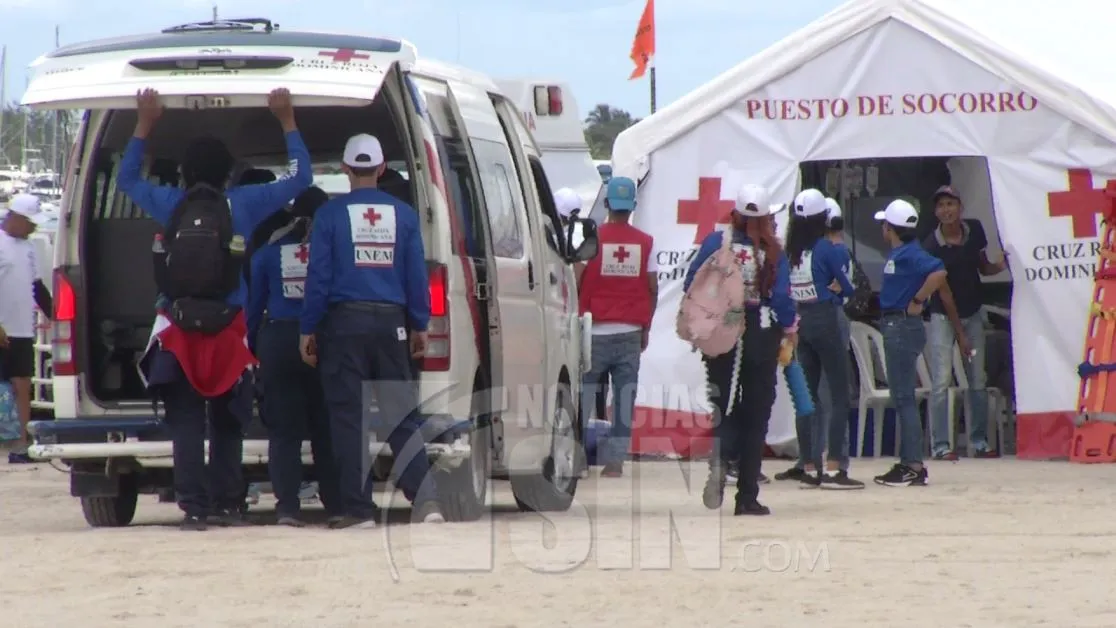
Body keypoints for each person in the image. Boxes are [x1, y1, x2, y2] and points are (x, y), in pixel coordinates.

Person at [119, 87, 313, 530]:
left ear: (185, 174)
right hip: (229, 328)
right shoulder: (243, 202)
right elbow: (300, 179)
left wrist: (144, 124)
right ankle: (228, 503)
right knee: (228, 419)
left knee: (187, 420)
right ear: (229, 173)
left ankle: (193, 506)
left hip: (179, 327)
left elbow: (127, 179)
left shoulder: (170, 203)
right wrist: (286, 119)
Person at [299, 133, 444, 528]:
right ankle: (427, 502)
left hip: (344, 325)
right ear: (381, 168)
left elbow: (318, 278)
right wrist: (420, 324)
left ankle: (358, 509)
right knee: (402, 414)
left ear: (345, 169)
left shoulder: (330, 215)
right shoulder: (404, 215)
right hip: (392, 325)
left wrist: (308, 328)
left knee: (349, 418)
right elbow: (416, 276)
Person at [686, 184, 795, 515]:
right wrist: (790, 329)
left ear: (734, 214)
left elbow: (692, 282)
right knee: (756, 413)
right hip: (761, 334)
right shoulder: (772, 251)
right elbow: (781, 299)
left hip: (722, 334)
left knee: (724, 405)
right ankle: (747, 495)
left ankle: (720, 461)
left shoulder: (716, 242)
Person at [247, 186, 340, 526]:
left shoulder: (269, 251)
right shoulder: (333, 249)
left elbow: (253, 309)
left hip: (278, 341)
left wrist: (256, 346)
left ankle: (287, 507)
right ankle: (336, 504)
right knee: (326, 429)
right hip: (323, 341)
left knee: (284, 432)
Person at [775, 189, 863, 489]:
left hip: (801, 321)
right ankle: (835, 468)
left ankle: (810, 465)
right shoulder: (826, 249)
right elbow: (849, 286)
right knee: (839, 394)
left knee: (807, 396)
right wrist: (837, 289)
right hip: (825, 319)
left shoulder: (790, 251)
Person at [576, 176, 657, 477]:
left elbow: (576, 277)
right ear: (632, 206)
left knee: (583, 396)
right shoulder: (646, 242)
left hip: (592, 331)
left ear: (607, 203)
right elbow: (652, 288)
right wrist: (646, 327)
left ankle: (576, 458)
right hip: (630, 332)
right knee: (624, 398)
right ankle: (615, 462)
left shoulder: (592, 238)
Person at [923, 185, 1006, 459]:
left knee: (977, 378)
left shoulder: (975, 231)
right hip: (944, 316)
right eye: (941, 205)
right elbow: (944, 293)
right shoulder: (932, 245)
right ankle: (940, 446)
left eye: (950, 203)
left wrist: (1000, 265)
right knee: (941, 379)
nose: (946, 210)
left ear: (960, 207)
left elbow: (981, 266)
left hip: (973, 311)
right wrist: (960, 334)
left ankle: (979, 441)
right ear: (935, 212)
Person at [872, 199, 948, 487]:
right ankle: (909, 462)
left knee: (903, 396)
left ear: (890, 228)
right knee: (902, 395)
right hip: (900, 324)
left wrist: (918, 299)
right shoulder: (903, 253)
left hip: (901, 324)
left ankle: (912, 464)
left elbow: (939, 271)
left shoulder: (910, 253)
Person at [0, 194, 53, 463]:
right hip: (1, 327)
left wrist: (56, 315)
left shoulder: (29, 247)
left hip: (21, 328)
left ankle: (22, 443)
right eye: (30, 222)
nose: (33, 227)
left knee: (23, 383)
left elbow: (37, 286)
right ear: (16, 218)